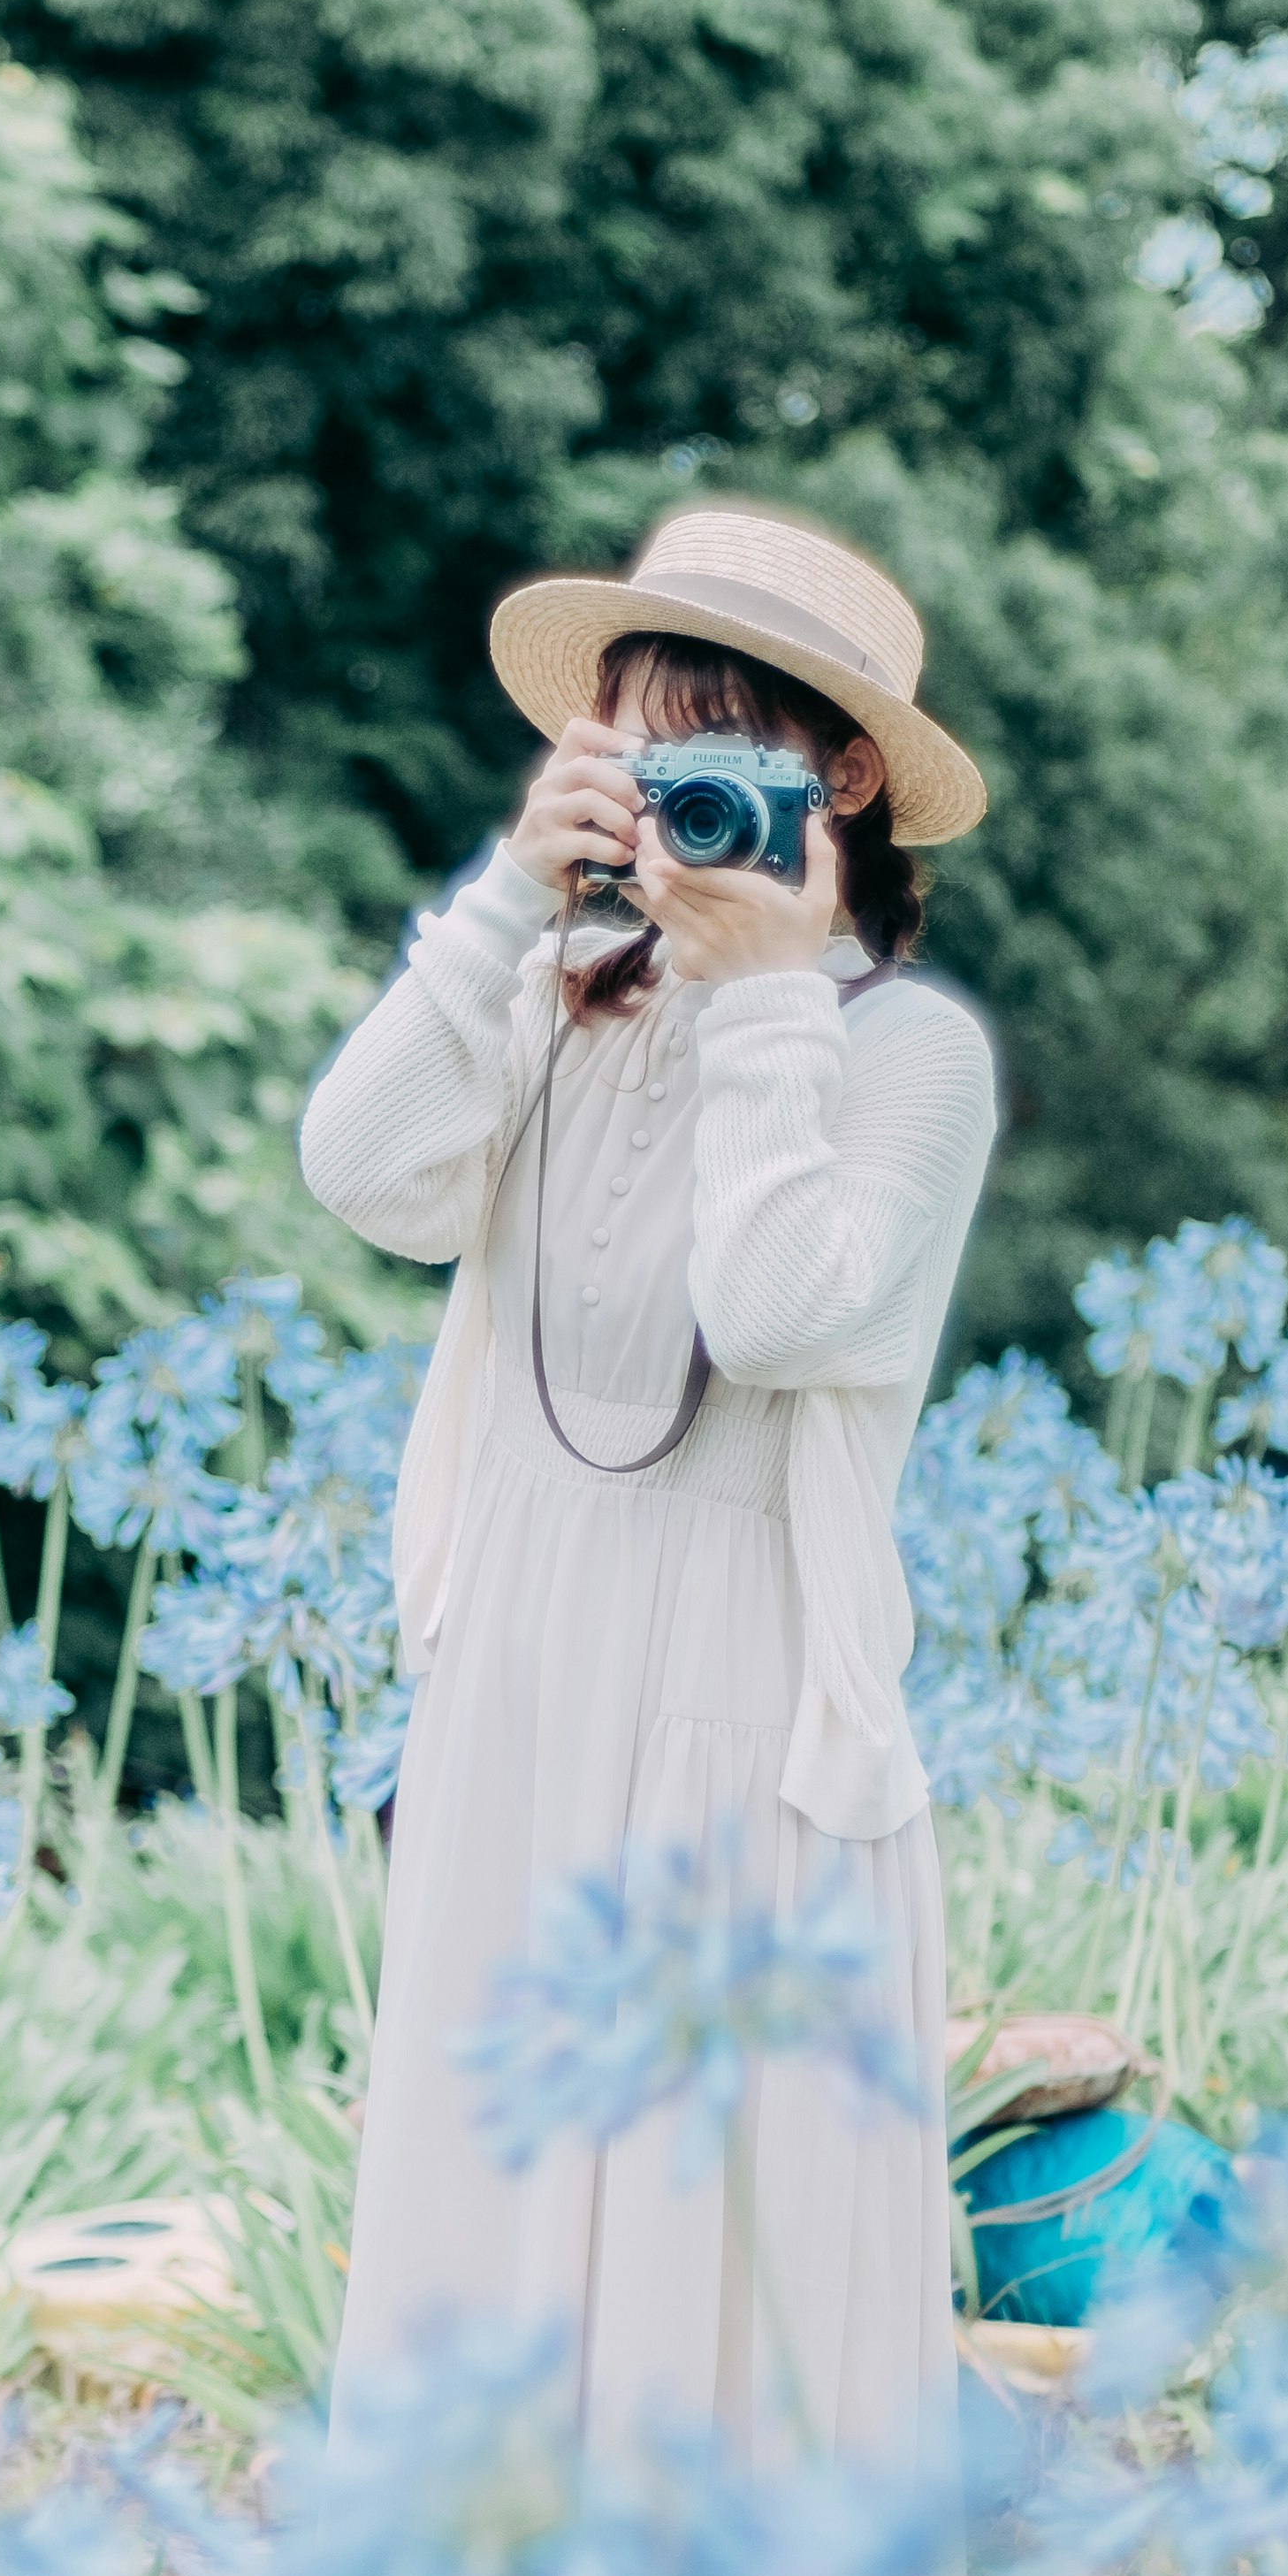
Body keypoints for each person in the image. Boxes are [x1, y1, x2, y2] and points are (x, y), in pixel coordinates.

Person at [301, 503, 997, 2461]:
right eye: (635, 742)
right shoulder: (552, 1000)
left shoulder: (905, 1053)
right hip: (525, 1664)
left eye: (716, 746)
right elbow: (361, 1175)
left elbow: (775, 1315)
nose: (668, 790)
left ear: (842, 775)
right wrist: (516, 897)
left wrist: (771, 989)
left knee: (704, 2206)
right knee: (491, 2171)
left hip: (734, 1694)